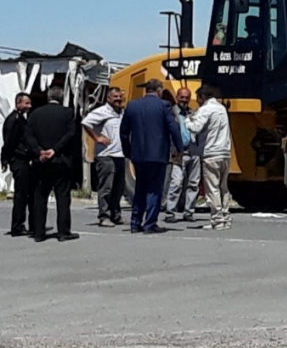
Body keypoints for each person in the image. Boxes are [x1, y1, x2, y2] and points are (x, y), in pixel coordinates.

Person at [119, 79, 183, 234]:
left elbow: (123, 131)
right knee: (154, 190)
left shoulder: (132, 105)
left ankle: (135, 222)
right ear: (159, 90)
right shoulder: (164, 106)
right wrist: (179, 148)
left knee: (140, 188)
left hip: (138, 155)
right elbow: (173, 128)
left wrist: (127, 150)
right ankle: (150, 223)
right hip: (158, 155)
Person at [26, 86, 79, 242]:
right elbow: (71, 134)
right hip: (60, 160)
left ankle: (39, 232)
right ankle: (63, 232)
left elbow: (28, 136)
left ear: (48, 97)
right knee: (62, 198)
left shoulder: (35, 114)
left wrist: (39, 151)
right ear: (62, 97)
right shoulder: (67, 113)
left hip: (40, 162)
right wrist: (54, 150)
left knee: (40, 197)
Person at [186, 85, 233, 231]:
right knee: (223, 187)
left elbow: (196, 127)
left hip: (211, 153)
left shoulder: (206, 109)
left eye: (198, 98)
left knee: (212, 188)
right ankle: (225, 217)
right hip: (225, 152)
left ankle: (217, 219)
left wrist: (188, 120)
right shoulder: (221, 108)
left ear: (202, 96)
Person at [82, 87, 126, 227]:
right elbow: (86, 123)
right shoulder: (102, 112)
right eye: (115, 97)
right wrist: (97, 138)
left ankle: (116, 215)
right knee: (106, 188)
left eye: (120, 96)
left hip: (120, 154)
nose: (118, 99)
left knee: (118, 188)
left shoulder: (122, 112)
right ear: (108, 98)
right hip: (106, 155)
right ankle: (104, 216)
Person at [165, 87, 201, 223]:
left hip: (194, 151)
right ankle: (170, 212)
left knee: (193, 183)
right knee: (176, 182)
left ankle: (189, 212)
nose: (184, 100)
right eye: (182, 97)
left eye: (186, 97)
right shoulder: (171, 113)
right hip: (178, 152)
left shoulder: (193, 113)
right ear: (177, 97)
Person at [2, 92, 35, 237]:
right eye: (26, 103)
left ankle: (21, 223)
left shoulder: (21, 119)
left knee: (25, 193)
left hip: (22, 159)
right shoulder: (14, 120)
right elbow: (9, 141)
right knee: (21, 194)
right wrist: (5, 159)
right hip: (18, 159)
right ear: (18, 103)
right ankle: (17, 225)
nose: (29, 106)